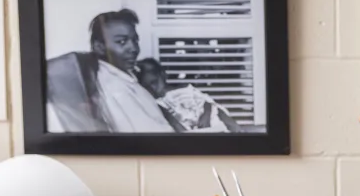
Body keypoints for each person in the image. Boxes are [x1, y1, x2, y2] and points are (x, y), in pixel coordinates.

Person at [45, 9, 179, 133]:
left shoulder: (124, 76)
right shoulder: (115, 89)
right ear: (100, 47)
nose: (133, 48)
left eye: (135, 40)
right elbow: (149, 137)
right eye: (121, 42)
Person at [135, 58, 244, 133]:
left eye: (154, 82)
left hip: (207, 119)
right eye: (148, 86)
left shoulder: (185, 88)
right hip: (192, 129)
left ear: (163, 75)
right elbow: (174, 123)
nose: (153, 88)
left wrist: (206, 114)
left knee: (220, 119)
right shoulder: (159, 102)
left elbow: (207, 101)